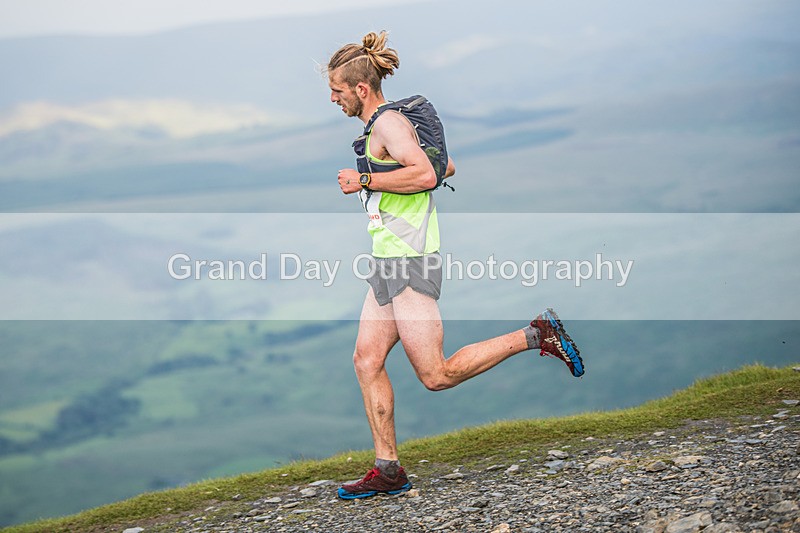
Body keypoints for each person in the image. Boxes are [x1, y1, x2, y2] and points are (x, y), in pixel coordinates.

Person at [326, 31, 584, 500]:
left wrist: (364, 177)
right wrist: (386, 176)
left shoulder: (388, 125)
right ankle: (388, 470)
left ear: (361, 89)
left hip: (409, 263)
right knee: (366, 360)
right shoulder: (385, 126)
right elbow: (446, 168)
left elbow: (425, 174)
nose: (333, 98)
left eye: (338, 91)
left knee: (436, 375)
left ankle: (536, 334)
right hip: (386, 262)